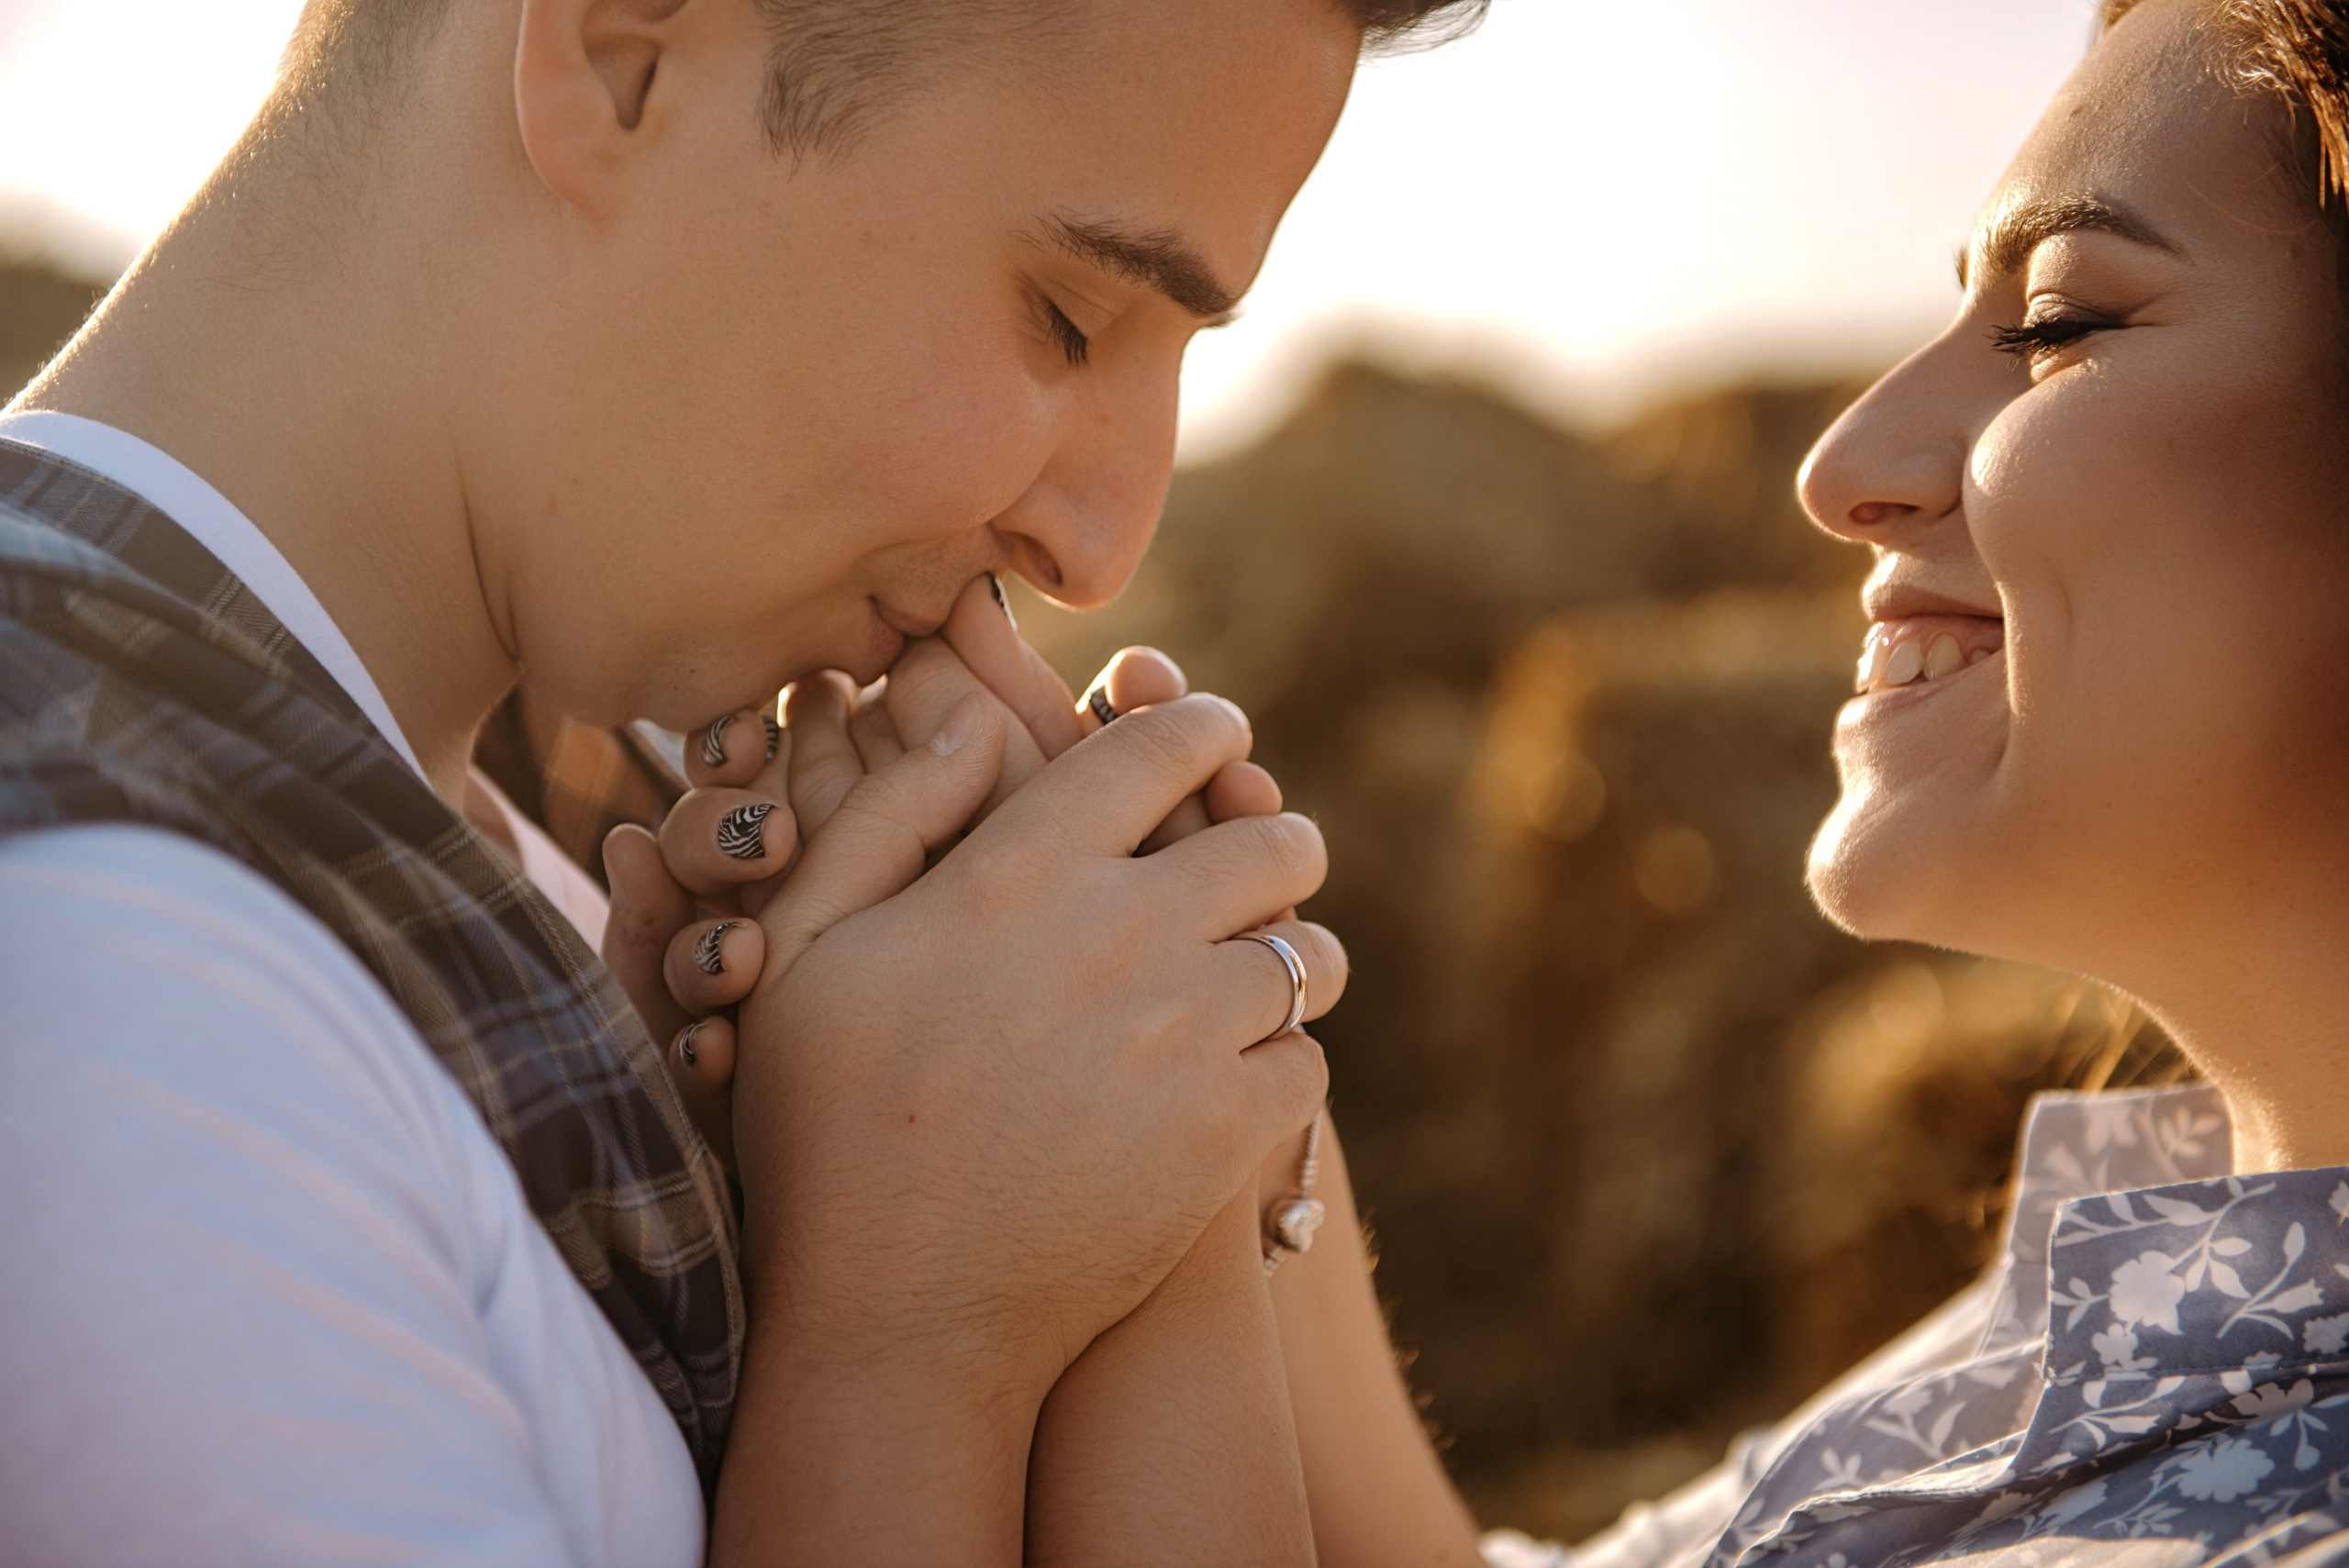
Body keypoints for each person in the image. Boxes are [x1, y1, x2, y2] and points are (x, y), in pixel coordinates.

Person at [640, 0, 2349, 1562]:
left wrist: (904, 1324)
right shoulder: (2149, 1295)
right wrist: (1190, 1087)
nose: (1844, 465)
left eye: (2059, 321)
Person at [0, 1, 1485, 1564]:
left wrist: (1152, 1113)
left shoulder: (598, 781)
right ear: (618, 54)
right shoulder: (106, 1010)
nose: (1106, 548)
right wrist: (910, 1338)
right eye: (1067, 316)